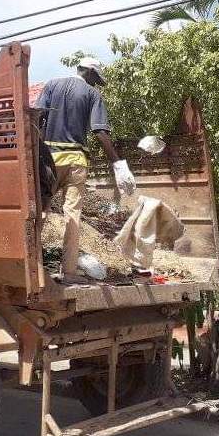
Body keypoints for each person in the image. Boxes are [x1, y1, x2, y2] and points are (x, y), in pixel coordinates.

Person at [35, 57, 135, 278]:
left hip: (49, 162)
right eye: (95, 78)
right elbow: (100, 131)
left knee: (41, 212)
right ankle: (68, 272)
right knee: (72, 215)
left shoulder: (52, 85)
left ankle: (32, 266)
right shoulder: (92, 94)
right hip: (76, 163)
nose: (96, 83)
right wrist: (118, 164)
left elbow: (37, 117)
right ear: (88, 72)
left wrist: (36, 151)